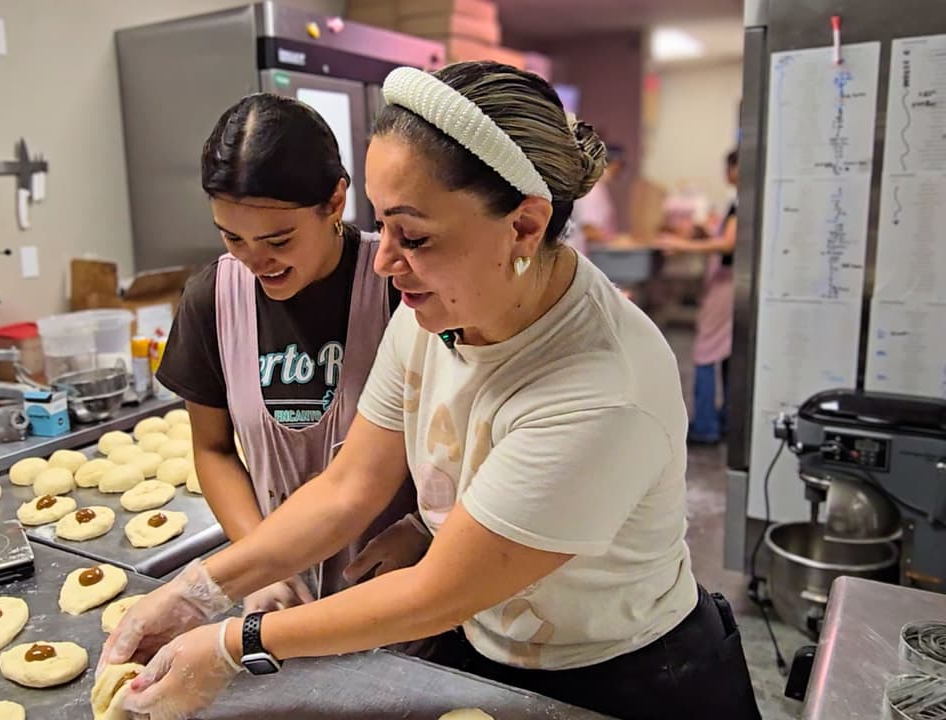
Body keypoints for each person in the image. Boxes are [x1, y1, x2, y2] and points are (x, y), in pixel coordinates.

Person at [103, 63, 761, 720]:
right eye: (382, 225)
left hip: (627, 679)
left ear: (525, 228)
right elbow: (346, 489)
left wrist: (230, 643)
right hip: (489, 651)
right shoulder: (439, 312)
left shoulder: (598, 390)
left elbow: (435, 593)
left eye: (413, 235)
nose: (385, 261)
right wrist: (198, 591)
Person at [155, 93, 425, 614]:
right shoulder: (213, 299)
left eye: (278, 239)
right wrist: (258, 564)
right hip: (280, 598)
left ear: (335, 202)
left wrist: (424, 529)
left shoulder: (400, 286)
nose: (257, 261)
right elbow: (213, 450)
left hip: (399, 589)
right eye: (233, 238)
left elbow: (463, 441)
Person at [657, 149, 739, 444]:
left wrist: (682, 245)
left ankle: (706, 425)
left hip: (728, 285)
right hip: (728, 283)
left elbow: (729, 245)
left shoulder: (742, 203)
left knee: (706, 352)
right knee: (728, 353)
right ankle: (727, 418)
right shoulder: (739, 202)